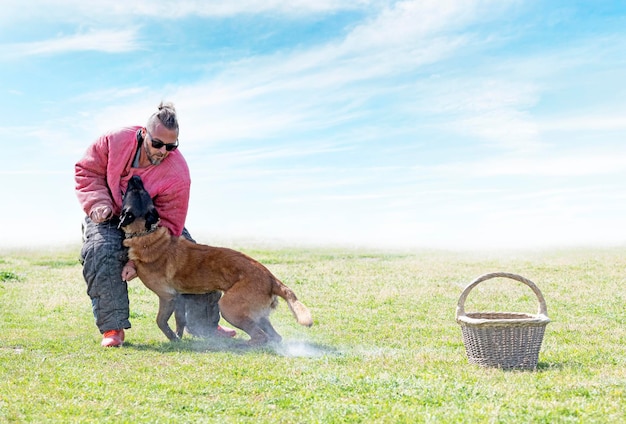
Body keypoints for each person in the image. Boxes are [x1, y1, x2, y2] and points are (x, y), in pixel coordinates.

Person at [75, 101, 235, 347]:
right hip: (106, 214)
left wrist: (136, 261)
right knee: (99, 251)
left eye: (171, 146)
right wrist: (97, 203)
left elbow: (171, 222)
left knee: (192, 256)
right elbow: (87, 171)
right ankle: (113, 329)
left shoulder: (178, 173)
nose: (163, 150)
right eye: (157, 143)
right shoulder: (114, 140)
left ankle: (206, 324)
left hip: (151, 224)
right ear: (143, 134)